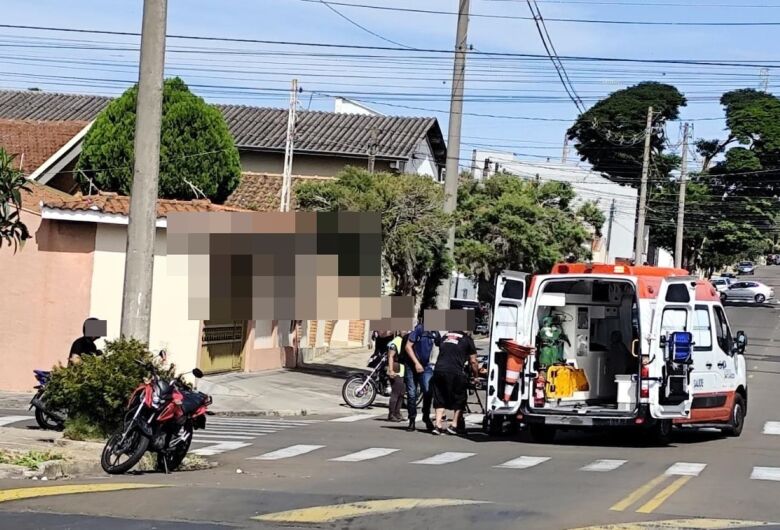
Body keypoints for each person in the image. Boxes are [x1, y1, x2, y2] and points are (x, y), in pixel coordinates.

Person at [431, 330, 480, 436]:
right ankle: (454, 425)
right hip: (455, 371)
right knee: (460, 397)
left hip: (439, 370)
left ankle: (438, 425)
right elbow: (473, 361)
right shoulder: (467, 339)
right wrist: (476, 376)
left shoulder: (445, 336)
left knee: (439, 397)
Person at [402, 321, 440, 432]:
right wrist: (416, 363)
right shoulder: (419, 329)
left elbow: (441, 345)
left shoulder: (435, 333)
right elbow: (408, 347)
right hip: (411, 365)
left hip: (426, 366)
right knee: (412, 393)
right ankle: (412, 420)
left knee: (428, 391)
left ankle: (426, 416)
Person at [386, 335, 405, 423]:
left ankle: (397, 413)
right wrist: (390, 370)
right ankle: (391, 414)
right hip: (396, 369)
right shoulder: (396, 341)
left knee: (401, 394)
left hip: (403, 370)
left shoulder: (405, 340)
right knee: (396, 393)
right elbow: (390, 356)